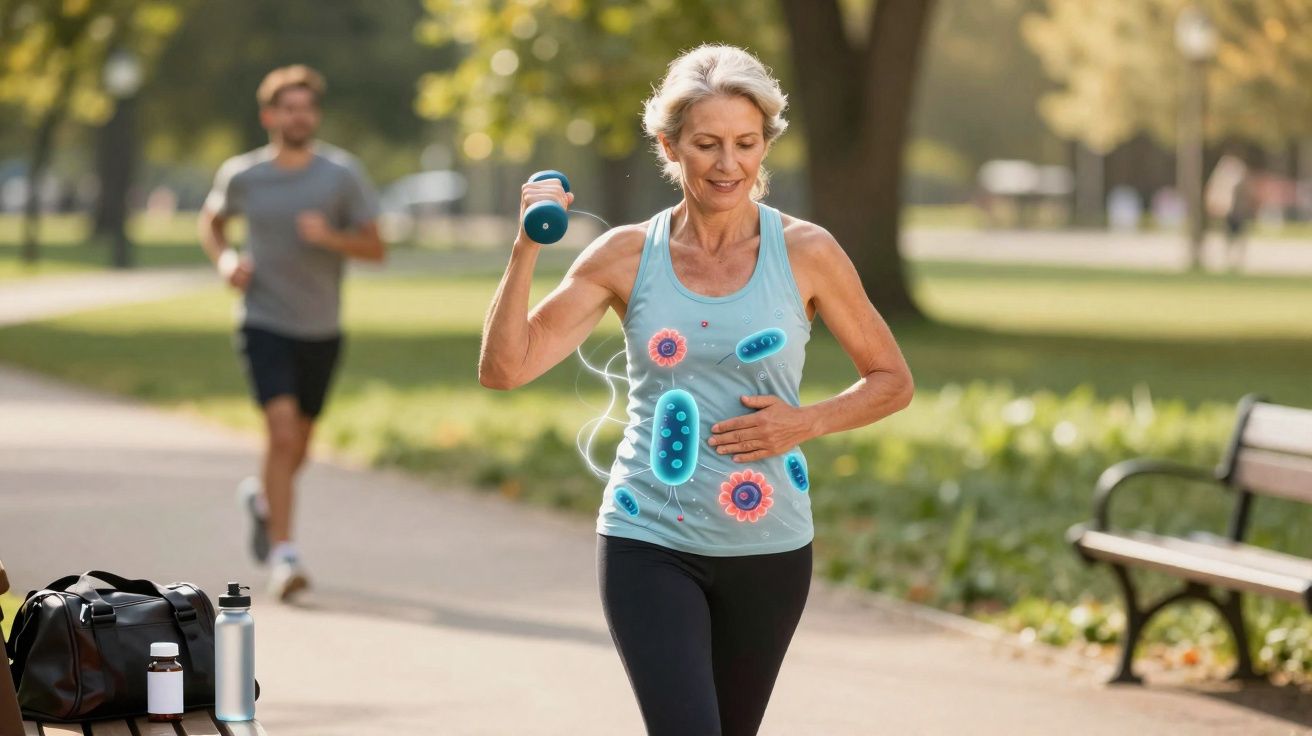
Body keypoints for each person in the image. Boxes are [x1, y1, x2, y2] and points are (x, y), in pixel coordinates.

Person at [479, 45, 913, 735]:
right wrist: (526, 246)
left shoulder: (808, 252)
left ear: (765, 146)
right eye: (707, 144)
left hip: (769, 546)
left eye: (746, 144)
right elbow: (506, 368)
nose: (728, 163)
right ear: (669, 146)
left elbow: (893, 380)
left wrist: (804, 423)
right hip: (646, 537)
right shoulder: (624, 254)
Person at [198, 65, 385, 601]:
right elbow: (211, 221)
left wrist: (331, 236)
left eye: (307, 107)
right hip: (263, 320)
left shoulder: (341, 175)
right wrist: (226, 259)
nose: (299, 115)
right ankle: (285, 556)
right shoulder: (243, 175)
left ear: (314, 115)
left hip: (321, 328)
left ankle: (262, 500)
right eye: (289, 107)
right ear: (270, 116)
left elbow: (377, 248)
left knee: (298, 445)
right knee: (280, 435)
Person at [1205, 152, 1254, 271]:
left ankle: (1237, 261)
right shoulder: (1224, 175)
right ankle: (1230, 260)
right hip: (1229, 211)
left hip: (1238, 212)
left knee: (1238, 237)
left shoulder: (1239, 174)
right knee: (1229, 237)